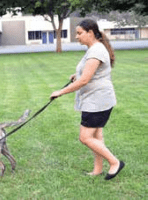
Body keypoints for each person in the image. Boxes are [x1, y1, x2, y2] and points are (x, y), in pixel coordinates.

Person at [50, 19, 125, 180]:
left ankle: (115, 162)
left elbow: (84, 81)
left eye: (79, 33)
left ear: (90, 32)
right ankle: (98, 169)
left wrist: (60, 92)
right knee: (96, 136)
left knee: (85, 137)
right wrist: (77, 75)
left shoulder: (96, 50)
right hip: (98, 99)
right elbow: (89, 74)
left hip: (97, 101)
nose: (76, 37)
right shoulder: (94, 48)